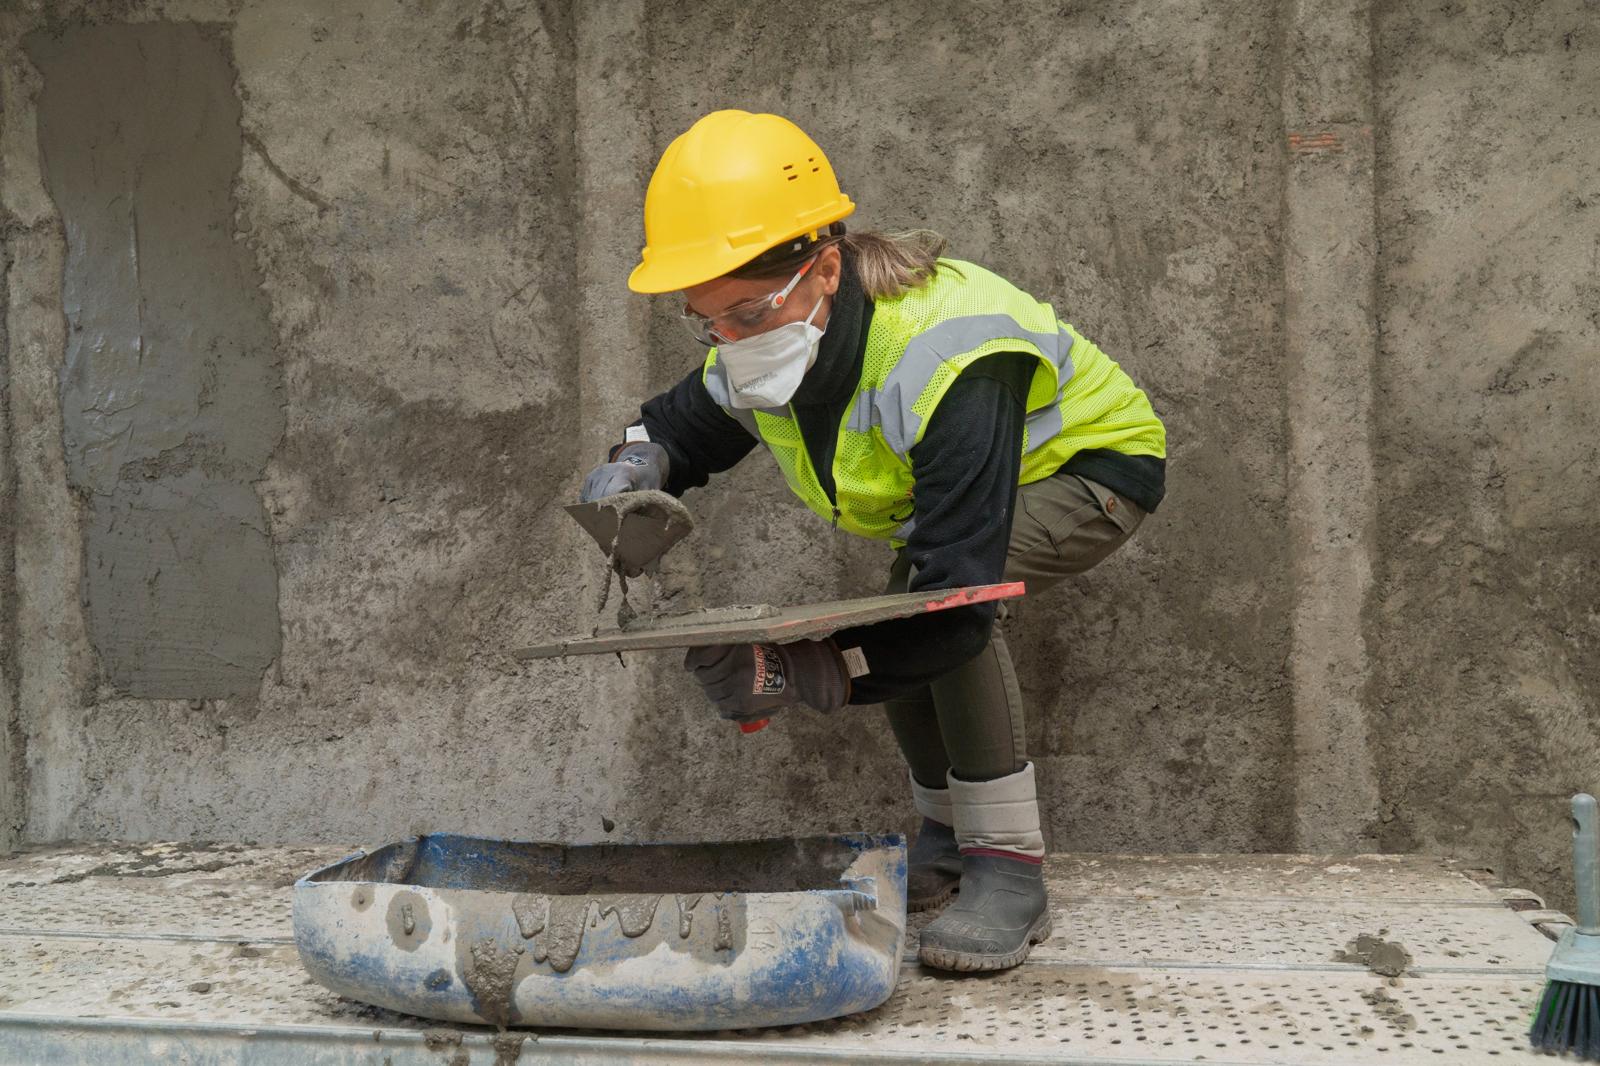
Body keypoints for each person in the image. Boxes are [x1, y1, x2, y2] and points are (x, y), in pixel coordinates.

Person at [580, 110, 1167, 972]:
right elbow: (680, 425)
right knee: (902, 598)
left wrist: (801, 673)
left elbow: (957, 607)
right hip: (976, 495)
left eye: (744, 314)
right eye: (707, 320)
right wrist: (634, 466)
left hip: (1090, 476)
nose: (728, 342)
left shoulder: (949, 353)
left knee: (932, 600)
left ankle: (1007, 869)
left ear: (823, 269)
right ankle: (946, 836)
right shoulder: (772, 339)